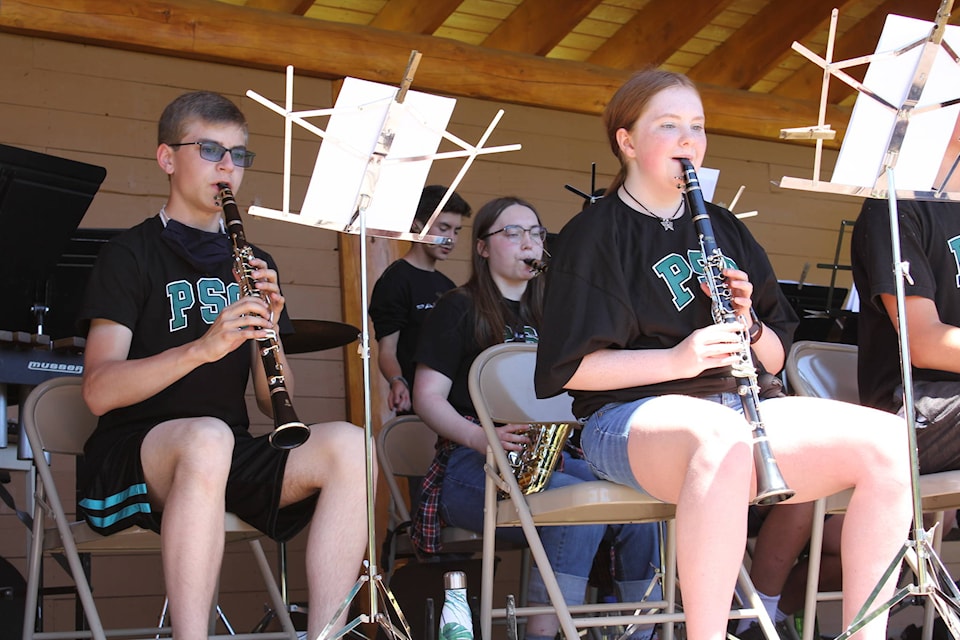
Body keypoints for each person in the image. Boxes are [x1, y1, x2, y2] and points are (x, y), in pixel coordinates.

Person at [534, 68, 913, 640]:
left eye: (698, 126)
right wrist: (677, 361)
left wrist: (750, 322)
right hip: (626, 419)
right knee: (723, 439)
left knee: (888, 442)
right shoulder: (594, 234)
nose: (689, 140)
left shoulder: (727, 230)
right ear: (627, 141)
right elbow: (571, 371)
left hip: (739, 407)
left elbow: (777, 358)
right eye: (669, 125)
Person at [77, 90, 370, 640]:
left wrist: (271, 332)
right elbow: (98, 390)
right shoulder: (129, 255)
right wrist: (201, 349)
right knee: (209, 437)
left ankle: (325, 634)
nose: (228, 168)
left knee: (352, 446)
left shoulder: (254, 262)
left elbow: (270, 399)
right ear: (168, 158)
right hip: (135, 457)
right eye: (212, 151)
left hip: (223, 452)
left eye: (238, 156)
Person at [411, 196, 663, 640]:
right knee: (577, 505)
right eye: (512, 233)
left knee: (640, 510)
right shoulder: (457, 307)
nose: (528, 243)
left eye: (536, 234)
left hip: (556, 459)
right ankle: (548, 633)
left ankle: (635, 633)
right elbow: (427, 398)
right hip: (476, 467)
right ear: (484, 247)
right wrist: (480, 439)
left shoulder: (557, 316)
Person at [369, 185, 472, 415]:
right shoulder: (394, 280)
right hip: (418, 406)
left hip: (456, 405)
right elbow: (387, 350)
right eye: (444, 228)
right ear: (416, 224)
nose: (450, 239)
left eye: (456, 231)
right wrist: (398, 381)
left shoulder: (448, 286)